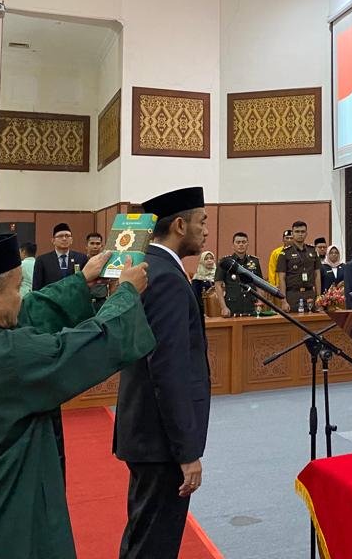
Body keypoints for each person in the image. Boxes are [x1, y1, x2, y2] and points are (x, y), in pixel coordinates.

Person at [0, 234, 153, 559]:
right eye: (17, 289)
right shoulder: (11, 357)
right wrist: (127, 293)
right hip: (4, 527)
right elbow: (94, 343)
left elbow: (26, 314)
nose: (21, 298)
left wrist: (80, 282)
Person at [114, 186, 210, 559]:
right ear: (180, 225)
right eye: (202, 222)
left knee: (144, 537)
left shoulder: (148, 266)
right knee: (154, 544)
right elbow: (168, 370)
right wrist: (186, 452)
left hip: (148, 432)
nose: (206, 230)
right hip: (161, 441)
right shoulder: (167, 276)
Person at [278, 221, 322, 313]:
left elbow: (317, 275)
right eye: (297, 231)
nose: (300, 234)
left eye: (302, 232)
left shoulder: (313, 251)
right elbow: (281, 278)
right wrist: (283, 300)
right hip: (292, 295)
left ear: (306, 233)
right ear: (293, 234)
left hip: (310, 294)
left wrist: (318, 296)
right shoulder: (285, 253)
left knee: (312, 320)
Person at [217, 232, 264, 317]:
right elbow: (218, 285)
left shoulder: (254, 261)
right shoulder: (225, 262)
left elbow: (259, 284)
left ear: (247, 244)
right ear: (233, 245)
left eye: (243, 242)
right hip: (232, 306)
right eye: (238, 242)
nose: (241, 245)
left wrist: (260, 302)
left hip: (251, 306)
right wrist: (223, 307)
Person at [32, 223, 89, 291]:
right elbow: (36, 287)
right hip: (51, 296)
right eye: (60, 236)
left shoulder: (81, 258)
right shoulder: (42, 260)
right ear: (53, 240)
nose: (64, 239)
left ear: (71, 240)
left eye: (67, 236)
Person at [191, 249, 217, 319]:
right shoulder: (197, 279)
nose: (209, 260)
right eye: (206, 259)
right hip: (203, 312)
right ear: (202, 261)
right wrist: (202, 312)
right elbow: (195, 297)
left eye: (211, 258)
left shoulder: (218, 275)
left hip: (218, 309)